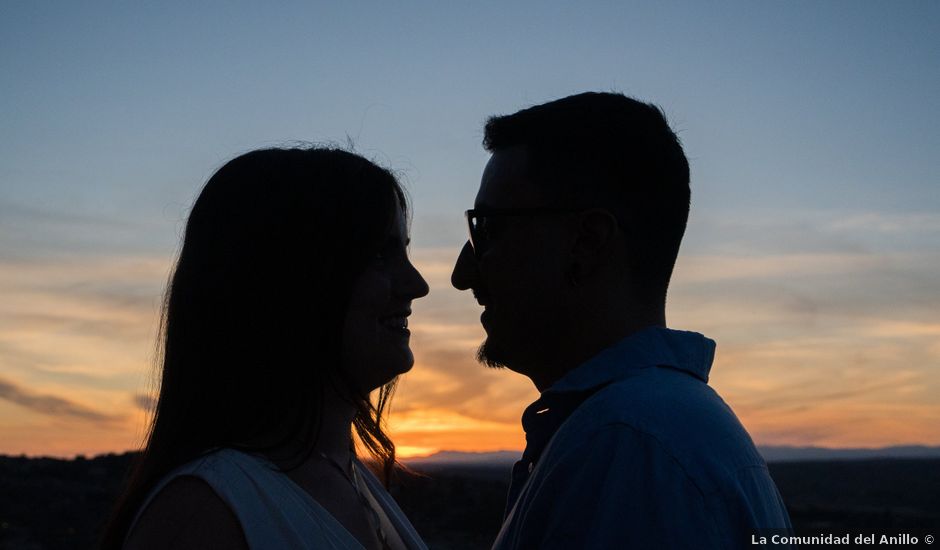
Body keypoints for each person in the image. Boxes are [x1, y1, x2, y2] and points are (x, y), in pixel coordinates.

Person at [451, 92, 793, 549]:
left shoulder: (628, 448)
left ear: (587, 243)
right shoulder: (650, 429)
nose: (461, 274)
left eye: (487, 229)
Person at [101, 147, 430, 549]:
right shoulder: (202, 516)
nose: (417, 284)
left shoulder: (349, 478)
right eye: (380, 254)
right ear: (291, 280)